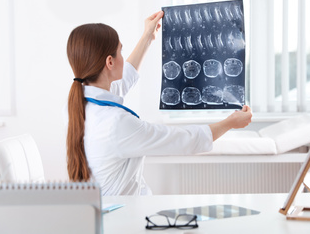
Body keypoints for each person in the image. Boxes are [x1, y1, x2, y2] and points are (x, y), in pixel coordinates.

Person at [66, 11, 252, 196]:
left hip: (108, 211)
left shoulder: (83, 105)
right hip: (124, 217)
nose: (122, 56)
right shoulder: (116, 123)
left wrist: (148, 36)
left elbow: (124, 80)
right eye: (120, 51)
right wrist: (230, 123)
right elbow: (183, 140)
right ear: (110, 62)